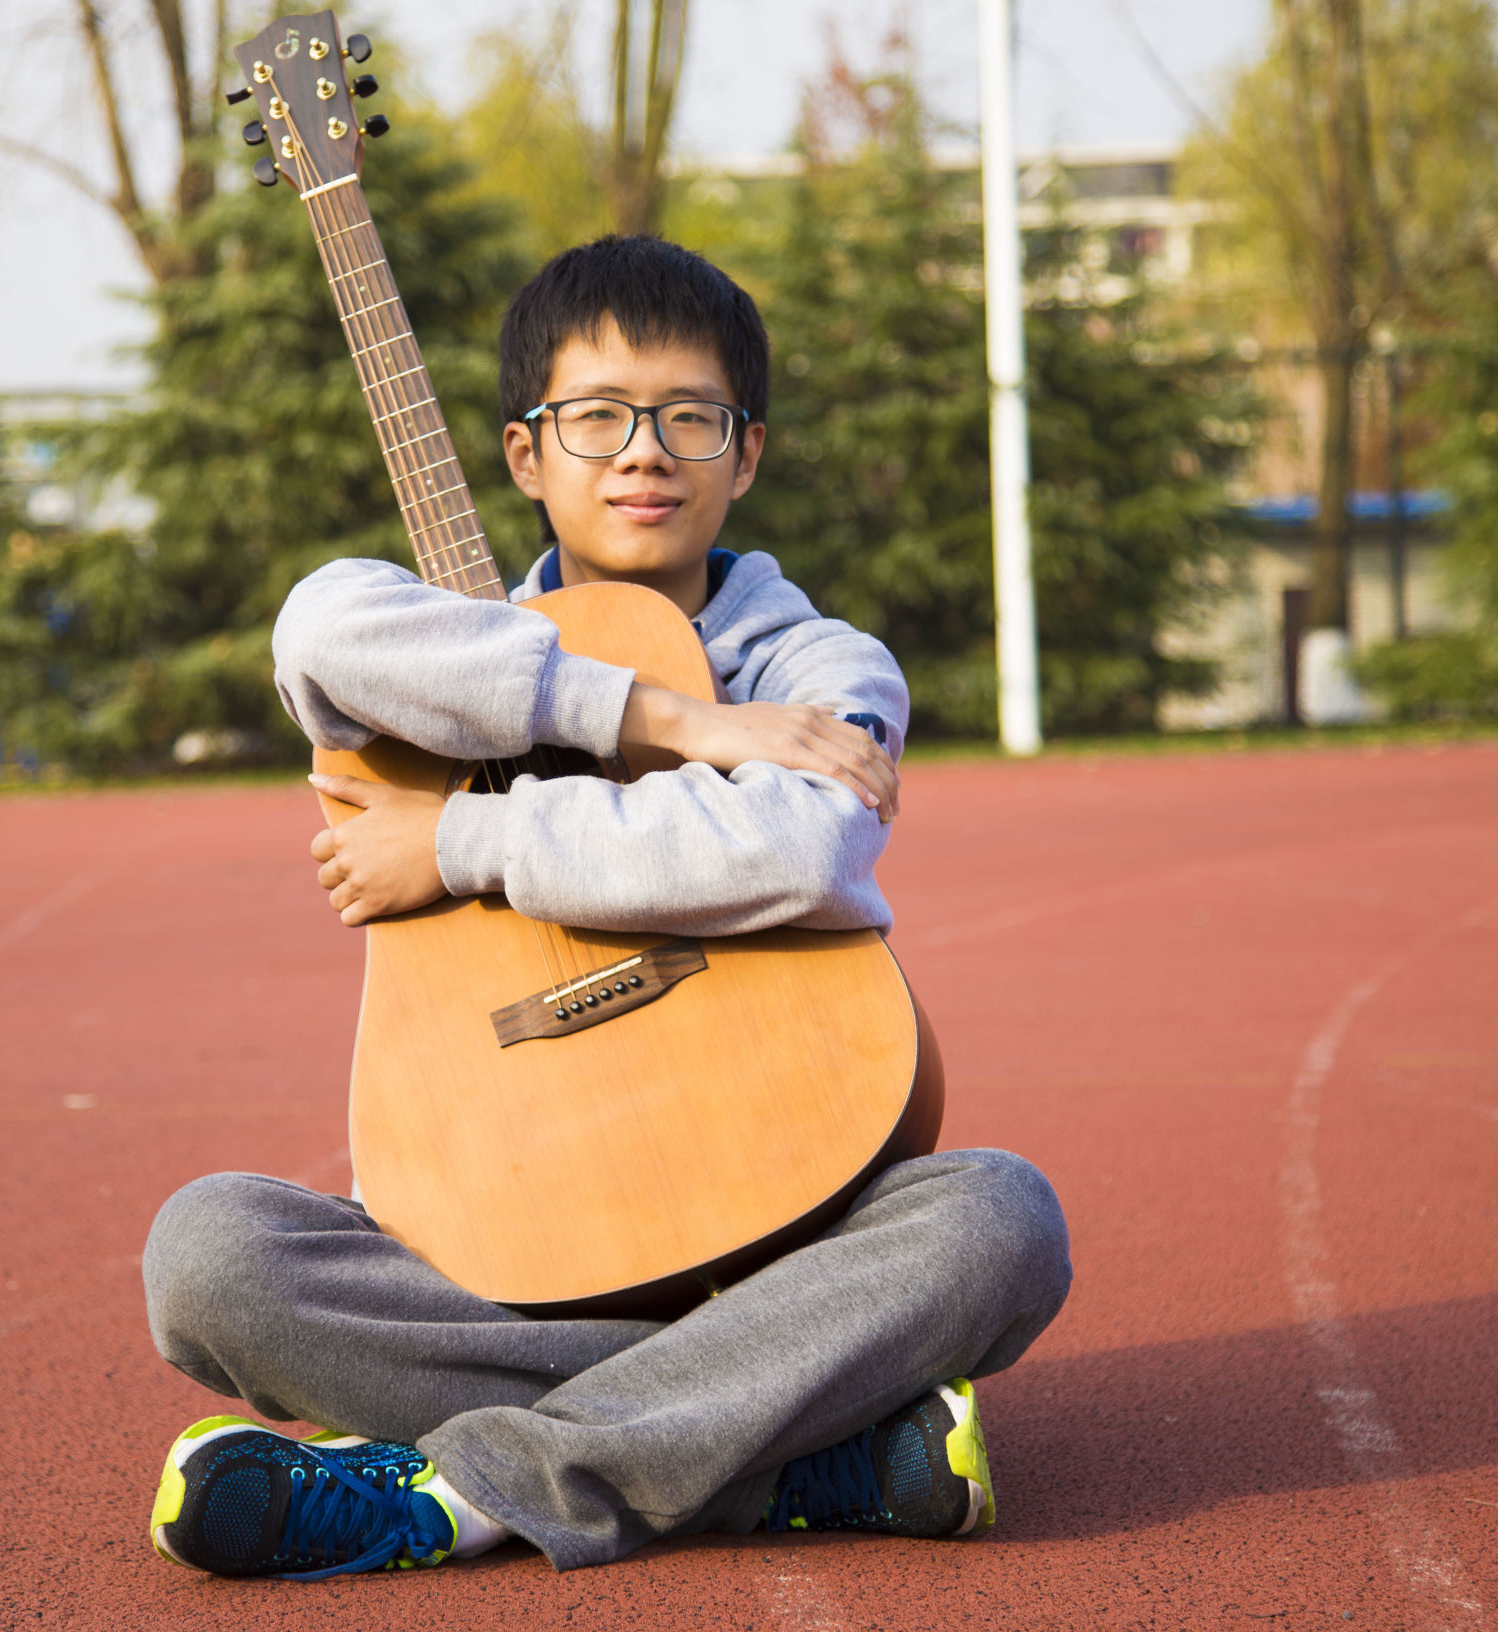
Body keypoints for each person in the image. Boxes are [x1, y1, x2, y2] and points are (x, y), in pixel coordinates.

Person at [141, 235, 1072, 1581]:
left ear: (746, 455)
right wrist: (670, 720)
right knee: (209, 1256)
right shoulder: (428, 657)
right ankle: (775, 1443)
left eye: (691, 418)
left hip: (785, 1229)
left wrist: (461, 841)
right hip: (501, 1225)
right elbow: (314, 630)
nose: (644, 454)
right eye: (596, 418)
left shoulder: (818, 664)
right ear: (526, 454)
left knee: (998, 1219)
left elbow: (804, 848)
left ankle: (463, 1490)